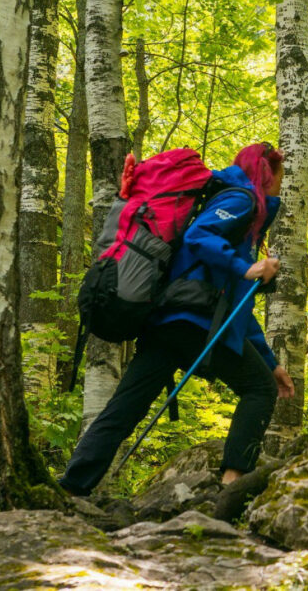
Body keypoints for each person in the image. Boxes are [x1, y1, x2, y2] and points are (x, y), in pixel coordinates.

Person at [59, 142, 295, 496]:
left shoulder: (239, 210)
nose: (282, 185)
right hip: (190, 322)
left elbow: (237, 306)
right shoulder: (240, 201)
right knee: (258, 390)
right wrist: (246, 266)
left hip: (168, 321)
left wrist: (270, 361)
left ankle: (71, 487)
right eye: (281, 176)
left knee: (125, 408)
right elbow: (200, 237)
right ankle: (232, 486)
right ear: (268, 173)